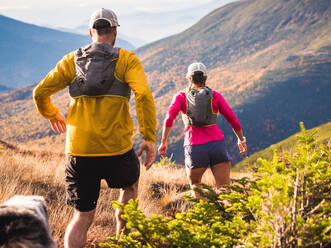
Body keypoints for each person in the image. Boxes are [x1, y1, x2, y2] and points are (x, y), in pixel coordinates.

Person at [33, 8, 156, 248]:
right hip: (117, 148)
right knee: (129, 188)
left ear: (91, 32)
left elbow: (40, 92)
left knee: (82, 216)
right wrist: (148, 137)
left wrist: (51, 113)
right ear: (115, 32)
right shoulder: (127, 60)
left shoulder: (72, 61)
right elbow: (143, 95)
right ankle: (123, 241)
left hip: (79, 150)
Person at [158, 62, 247, 199]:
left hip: (194, 146)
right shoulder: (215, 95)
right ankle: (228, 217)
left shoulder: (181, 97)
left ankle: (203, 217)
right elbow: (232, 119)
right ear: (205, 78)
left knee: (195, 184)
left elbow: (169, 118)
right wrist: (241, 139)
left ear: (189, 78)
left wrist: (163, 142)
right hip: (217, 144)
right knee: (225, 188)